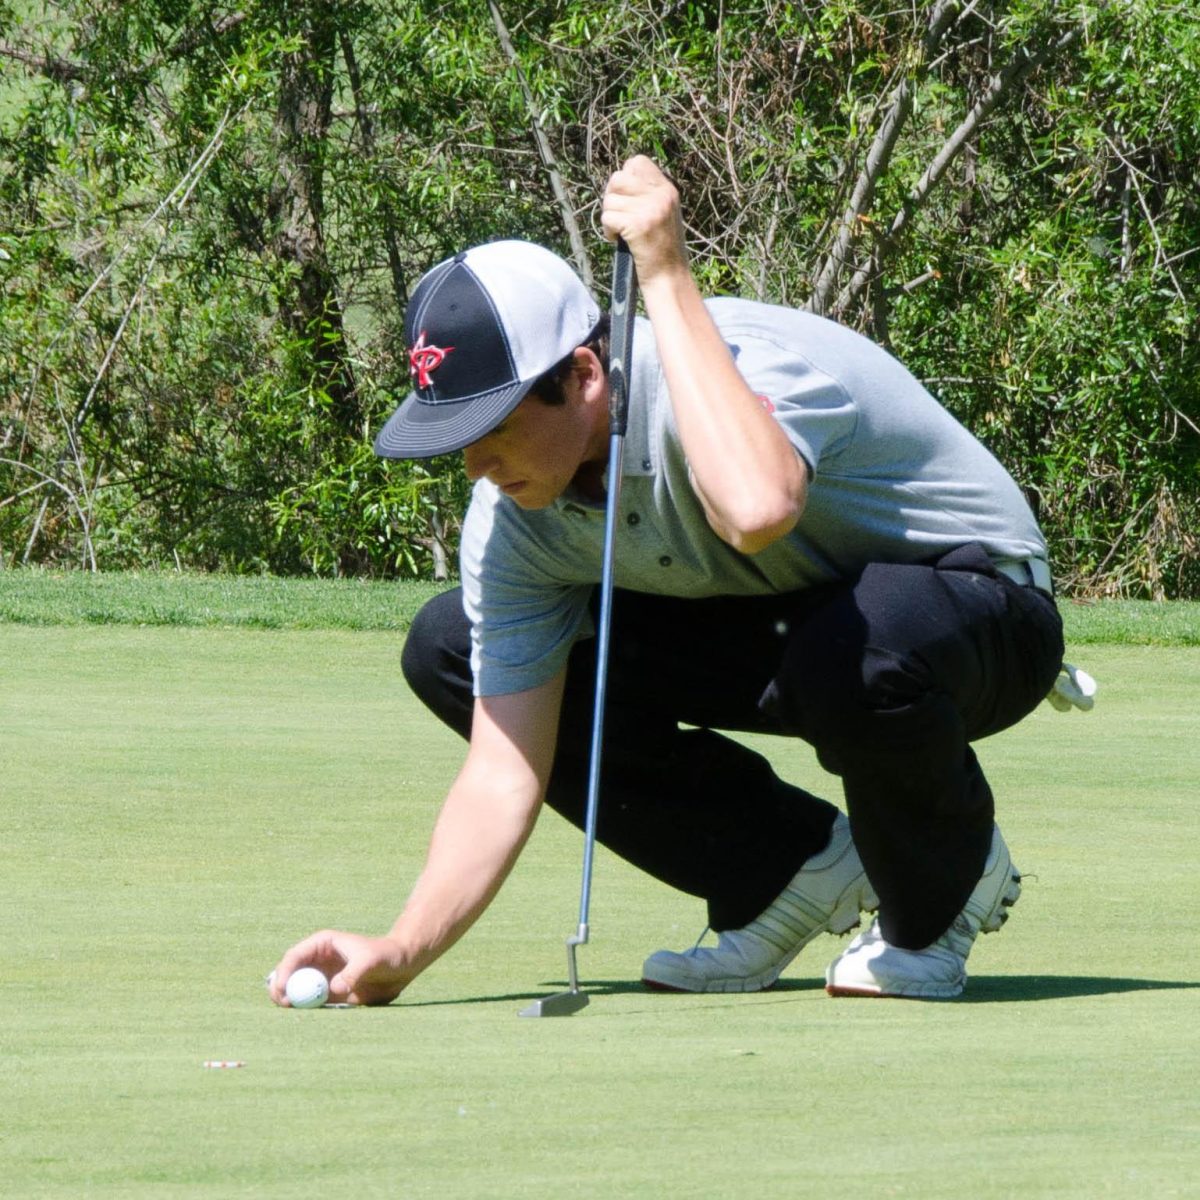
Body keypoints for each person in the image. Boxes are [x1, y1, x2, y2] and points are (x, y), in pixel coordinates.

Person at [268, 156, 1064, 1008]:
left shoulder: (747, 367)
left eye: (491, 427)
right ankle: (785, 872)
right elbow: (505, 772)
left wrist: (667, 270)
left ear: (583, 376)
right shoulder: (513, 525)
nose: (473, 465)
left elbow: (757, 509)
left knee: (850, 647)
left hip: (980, 612)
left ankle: (939, 891)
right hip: (792, 624)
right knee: (451, 645)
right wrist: (402, 946)